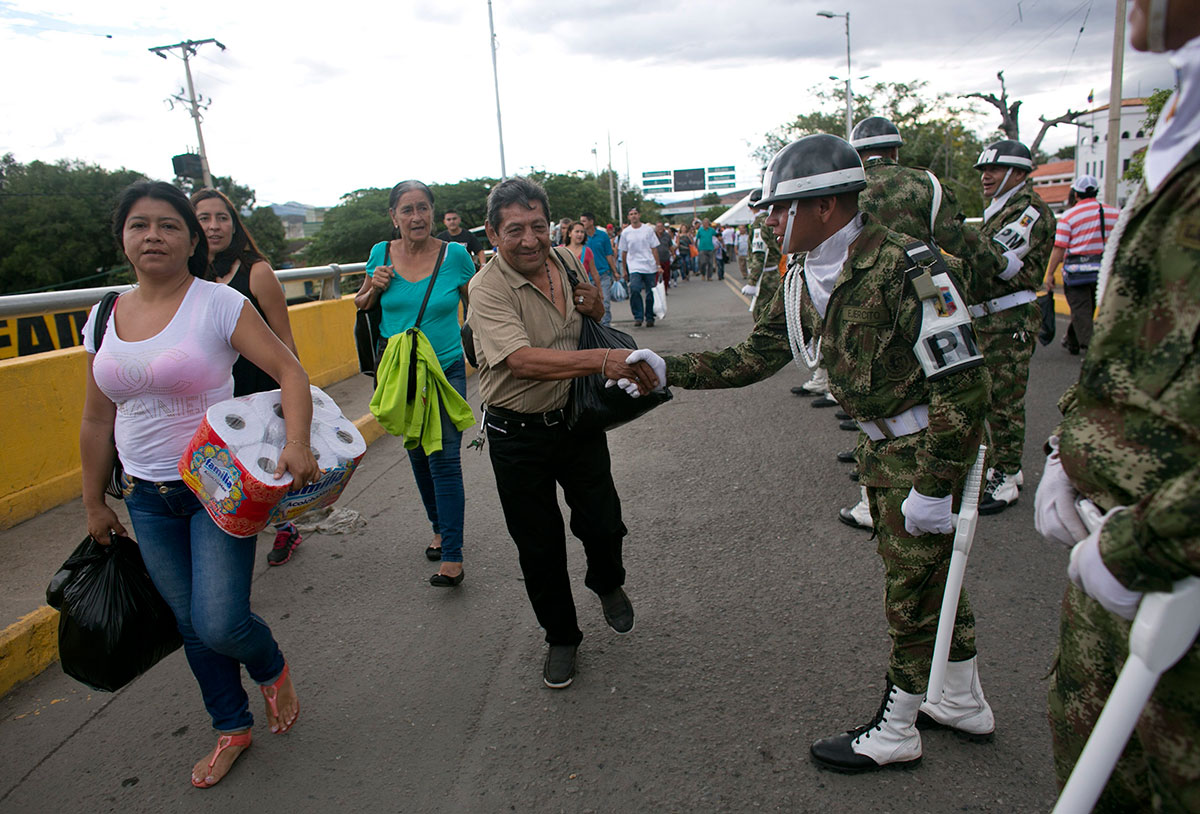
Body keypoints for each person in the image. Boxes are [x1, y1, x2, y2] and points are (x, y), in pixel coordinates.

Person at [643, 134, 993, 772]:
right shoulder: (804, 273)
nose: (771, 222)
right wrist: (664, 370)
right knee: (929, 580)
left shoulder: (909, 264)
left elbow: (964, 380)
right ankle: (962, 699)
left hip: (925, 448)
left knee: (909, 594)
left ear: (826, 207)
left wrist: (937, 484)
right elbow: (755, 357)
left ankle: (899, 727)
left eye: (781, 209)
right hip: (883, 451)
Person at [81, 181, 317, 788]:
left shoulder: (217, 303)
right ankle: (230, 727)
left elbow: (289, 371)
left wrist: (294, 445)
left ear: (192, 239)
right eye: (139, 225)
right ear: (123, 238)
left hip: (215, 486)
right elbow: (96, 415)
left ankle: (268, 664)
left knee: (220, 621)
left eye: (167, 225)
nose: (152, 236)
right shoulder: (105, 313)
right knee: (190, 623)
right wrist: (92, 501)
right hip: (144, 494)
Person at [1037, 3, 1200, 808]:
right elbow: (1131, 338)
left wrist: (1145, 545)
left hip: (1167, 568)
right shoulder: (1182, 116)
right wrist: (1066, 449)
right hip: (1127, 561)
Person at [467, 177, 659, 688]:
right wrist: (604, 360)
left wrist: (595, 307)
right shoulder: (486, 289)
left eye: (538, 226)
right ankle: (562, 637)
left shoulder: (565, 260)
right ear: (492, 233)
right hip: (517, 436)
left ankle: (607, 582)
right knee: (539, 546)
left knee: (603, 521)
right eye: (514, 230)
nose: (529, 240)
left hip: (576, 421)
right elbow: (522, 361)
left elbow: (590, 309)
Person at [837, 116, 1025, 530]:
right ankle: (944, 483)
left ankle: (875, 497)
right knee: (945, 379)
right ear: (896, 151)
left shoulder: (844, 186)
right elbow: (956, 239)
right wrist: (1000, 263)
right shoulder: (925, 183)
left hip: (859, 298)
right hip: (923, 284)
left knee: (871, 387)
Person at [354, 180, 476, 586]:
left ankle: (453, 557)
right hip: (400, 371)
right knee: (417, 454)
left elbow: (477, 303)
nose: (416, 216)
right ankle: (439, 530)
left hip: (444, 369)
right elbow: (361, 303)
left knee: (443, 457)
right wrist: (376, 284)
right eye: (407, 210)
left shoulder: (455, 255)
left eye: (422, 208)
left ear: (434, 213)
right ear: (394, 217)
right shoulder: (379, 254)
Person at [191, 188, 304, 567]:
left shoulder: (256, 271)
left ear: (234, 223)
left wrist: (293, 395)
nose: (213, 226)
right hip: (213, 392)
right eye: (204, 218)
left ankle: (286, 528)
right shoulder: (187, 276)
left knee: (269, 464)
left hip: (258, 386)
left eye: (222, 217)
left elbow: (284, 337)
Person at [971, 140, 1056, 515]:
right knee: (990, 396)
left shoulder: (1029, 211)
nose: (985, 176)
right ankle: (1006, 467)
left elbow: (996, 258)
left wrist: (956, 238)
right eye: (983, 170)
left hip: (1009, 318)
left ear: (1019, 174)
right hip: (991, 316)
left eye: (994, 169)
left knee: (1003, 398)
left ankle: (1004, 476)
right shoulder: (1001, 208)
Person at [1043, 175, 1119, 355]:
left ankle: (1091, 348)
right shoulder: (1115, 213)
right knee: (1088, 308)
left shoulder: (1069, 216)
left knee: (1080, 310)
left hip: (1077, 272)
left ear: (1076, 194)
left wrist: (1050, 273)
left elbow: (1059, 248)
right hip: (1104, 271)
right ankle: (1072, 340)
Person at [618, 207, 661, 327]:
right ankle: (638, 316)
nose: (633, 216)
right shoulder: (626, 233)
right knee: (635, 289)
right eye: (631, 214)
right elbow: (624, 252)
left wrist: (658, 265)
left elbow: (654, 248)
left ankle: (649, 316)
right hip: (634, 266)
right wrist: (624, 270)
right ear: (628, 217)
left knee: (650, 293)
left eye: (635, 214)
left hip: (649, 266)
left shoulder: (648, 230)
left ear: (639, 215)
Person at [581, 212, 618, 325]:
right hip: (586, 276)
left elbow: (608, 255)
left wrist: (615, 271)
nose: (582, 224)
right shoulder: (581, 237)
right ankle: (595, 328)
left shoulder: (603, 236)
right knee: (590, 305)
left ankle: (605, 329)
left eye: (584, 221)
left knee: (605, 303)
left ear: (591, 222)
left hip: (603, 274)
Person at [562, 220, 601, 286]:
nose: (580, 234)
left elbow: (594, 273)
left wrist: (600, 291)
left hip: (582, 289)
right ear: (569, 233)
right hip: (564, 289)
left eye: (582, 232)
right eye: (577, 232)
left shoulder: (587, 251)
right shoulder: (560, 250)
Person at [654, 222, 673, 289]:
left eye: (661, 226)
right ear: (656, 228)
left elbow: (670, 246)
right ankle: (656, 289)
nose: (660, 228)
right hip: (655, 260)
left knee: (666, 275)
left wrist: (673, 254)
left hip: (665, 258)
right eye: (658, 227)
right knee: (656, 276)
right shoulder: (652, 235)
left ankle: (665, 289)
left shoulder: (667, 235)